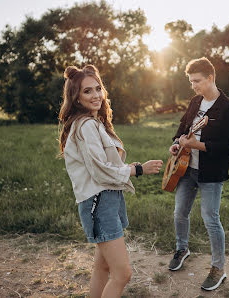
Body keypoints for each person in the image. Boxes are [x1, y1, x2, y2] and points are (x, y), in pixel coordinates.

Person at [58, 65, 163, 298]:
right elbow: (100, 171)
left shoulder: (94, 123)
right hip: (99, 201)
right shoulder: (85, 126)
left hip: (107, 198)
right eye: (87, 91)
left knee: (103, 266)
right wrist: (137, 170)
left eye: (98, 89)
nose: (96, 95)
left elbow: (104, 166)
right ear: (76, 97)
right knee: (122, 274)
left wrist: (126, 167)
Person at [167, 57, 229, 291]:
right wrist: (176, 143)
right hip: (186, 169)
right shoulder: (195, 102)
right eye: (190, 81)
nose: (194, 86)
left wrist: (198, 146)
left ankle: (219, 268)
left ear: (210, 77)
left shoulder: (228, 108)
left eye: (197, 81)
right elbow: (182, 128)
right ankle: (182, 249)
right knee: (180, 213)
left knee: (211, 219)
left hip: (211, 173)